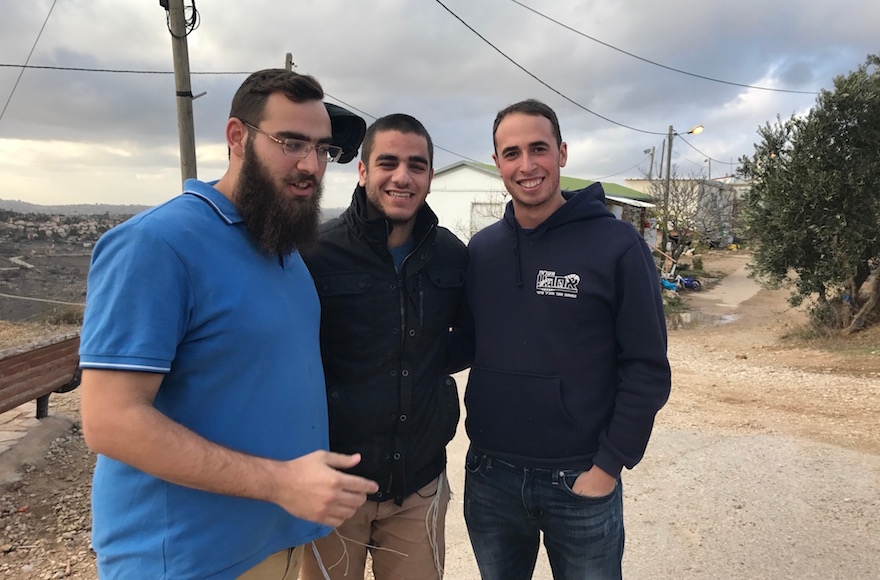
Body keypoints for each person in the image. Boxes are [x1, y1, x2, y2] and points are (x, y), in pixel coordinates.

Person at [78, 68, 379, 579]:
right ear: (237, 137)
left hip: (280, 546)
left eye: (323, 149)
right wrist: (281, 483)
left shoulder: (284, 251)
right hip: (186, 562)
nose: (311, 165)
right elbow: (110, 421)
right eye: (291, 142)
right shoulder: (158, 245)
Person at [462, 99, 672, 579]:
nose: (527, 164)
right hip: (491, 478)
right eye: (511, 153)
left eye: (539, 148)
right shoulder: (483, 250)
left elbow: (647, 368)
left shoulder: (617, 246)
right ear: (498, 163)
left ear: (562, 153)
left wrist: (608, 467)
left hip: (579, 480)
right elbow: (463, 340)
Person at [300, 114, 469, 580]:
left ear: (430, 176)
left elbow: (469, 339)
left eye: (417, 165)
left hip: (418, 482)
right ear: (361, 170)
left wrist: (420, 364)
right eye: (388, 162)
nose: (402, 176)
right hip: (334, 485)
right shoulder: (315, 254)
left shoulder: (452, 255)